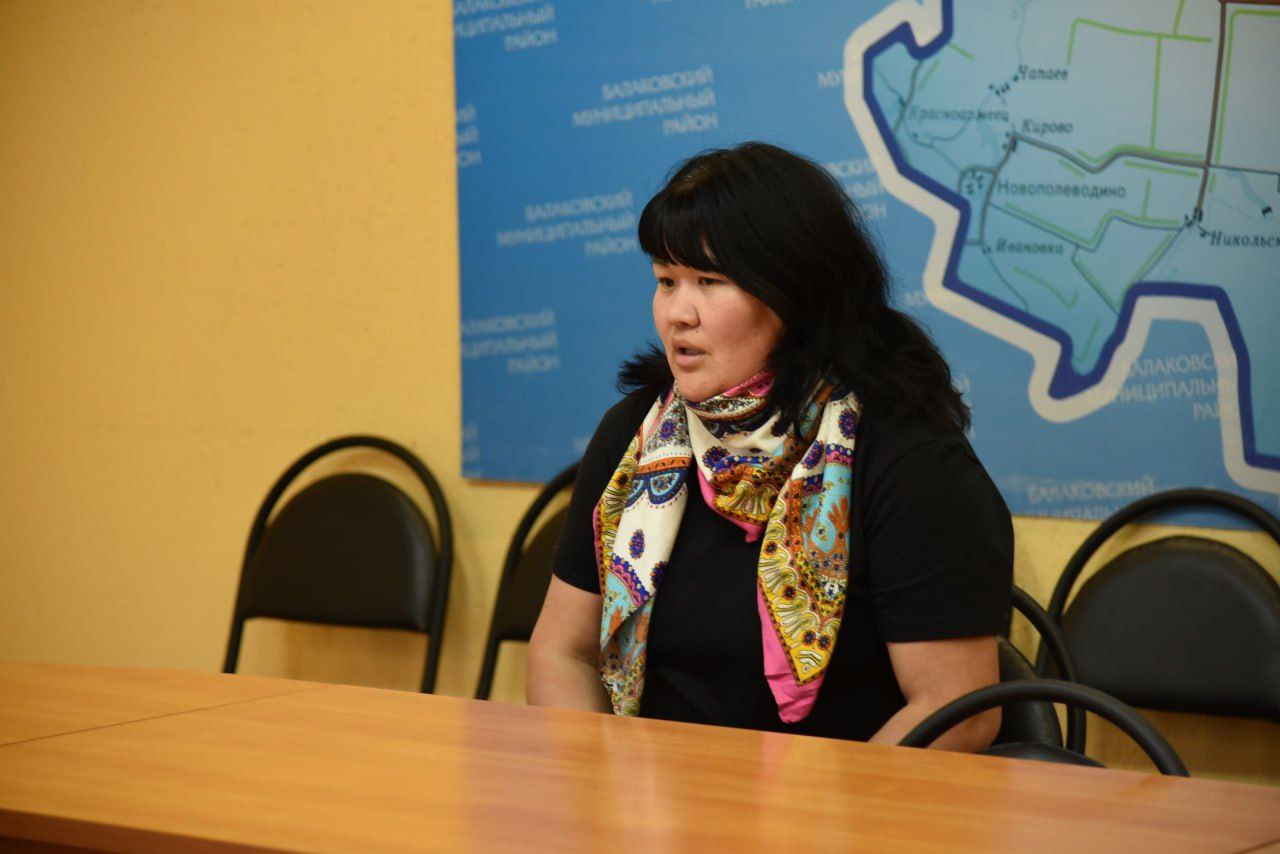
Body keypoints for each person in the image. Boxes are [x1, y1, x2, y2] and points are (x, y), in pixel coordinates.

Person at [528, 142, 1012, 750]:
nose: (677, 313)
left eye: (709, 281)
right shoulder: (636, 433)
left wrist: (820, 810)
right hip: (646, 795)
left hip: (839, 798)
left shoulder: (906, 456)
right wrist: (600, 782)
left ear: (796, 293)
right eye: (666, 281)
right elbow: (560, 652)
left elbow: (956, 709)